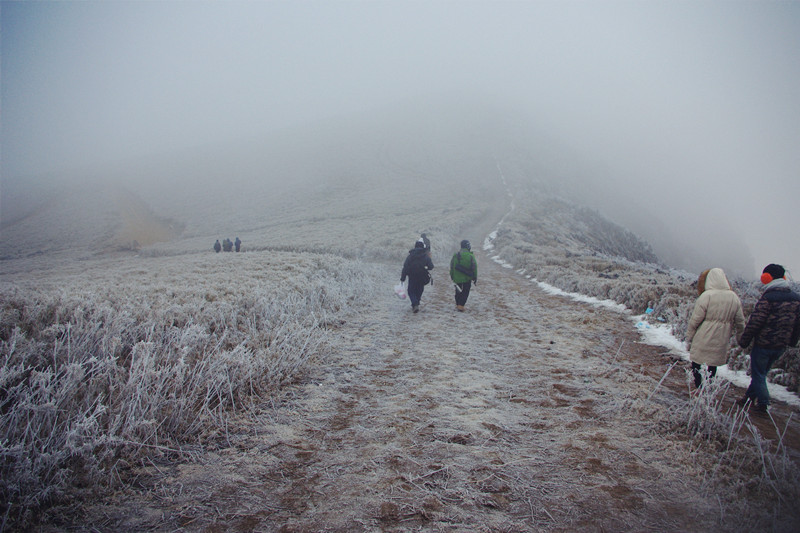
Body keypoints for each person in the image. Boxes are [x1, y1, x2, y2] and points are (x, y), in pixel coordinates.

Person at [737, 264, 800, 412]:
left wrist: (744, 340)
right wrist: (792, 341)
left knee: (758, 373)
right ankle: (749, 397)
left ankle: (763, 403)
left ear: (767, 278)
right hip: (781, 346)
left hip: (764, 343)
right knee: (761, 372)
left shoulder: (768, 298)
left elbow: (756, 321)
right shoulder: (796, 298)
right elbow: (798, 324)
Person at [685, 268, 745, 391]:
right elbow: (740, 321)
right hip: (722, 337)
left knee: (697, 362)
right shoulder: (733, 297)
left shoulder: (707, 296)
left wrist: (689, 336)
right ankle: (709, 387)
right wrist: (741, 337)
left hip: (704, 334)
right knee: (713, 363)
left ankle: (699, 386)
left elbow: (695, 320)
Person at [401, 240, 434, 313]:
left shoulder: (410, 256)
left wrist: (403, 278)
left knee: (411, 291)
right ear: (422, 247)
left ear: (415, 246)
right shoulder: (425, 256)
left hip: (412, 275)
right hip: (422, 275)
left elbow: (405, 267)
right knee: (419, 289)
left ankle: (415, 303)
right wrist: (426, 267)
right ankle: (416, 302)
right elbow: (431, 266)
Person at [450, 239, 478, 312]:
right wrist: (475, 277)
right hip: (467, 277)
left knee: (458, 290)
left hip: (457, 277)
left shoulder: (456, 255)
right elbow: (474, 267)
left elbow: (452, 266)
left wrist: (452, 275)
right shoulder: (471, 256)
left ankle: (458, 304)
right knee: (465, 291)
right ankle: (461, 305)